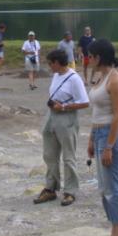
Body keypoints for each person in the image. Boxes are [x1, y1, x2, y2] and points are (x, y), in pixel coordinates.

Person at [85, 39, 118, 236]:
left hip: (112, 137)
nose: (88, 58)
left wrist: (108, 146)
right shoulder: (99, 77)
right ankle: (115, 233)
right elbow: (97, 113)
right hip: (100, 134)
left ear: (99, 57)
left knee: (114, 187)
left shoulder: (115, 80)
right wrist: (92, 139)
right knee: (105, 189)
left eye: (90, 55)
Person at [34, 49, 90, 207]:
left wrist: (64, 107)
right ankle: (50, 189)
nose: (49, 66)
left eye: (50, 63)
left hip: (66, 118)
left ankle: (70, 191)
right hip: (51, 116)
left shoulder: (74, 79)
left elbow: (85, 102)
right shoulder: (56, 75)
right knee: (49, 155)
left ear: (57, 62)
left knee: (68, 156)